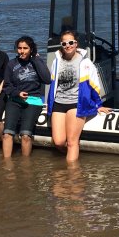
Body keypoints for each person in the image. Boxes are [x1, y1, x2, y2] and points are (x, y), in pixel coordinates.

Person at [47, 30, 110, 162]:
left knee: (72, 142)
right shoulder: (56, 61)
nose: (68, 45)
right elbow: (53, 85)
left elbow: (94, 86)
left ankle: (72, 175)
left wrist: (98, 105)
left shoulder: (86, 63)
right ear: (61, 45)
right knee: (58, 141)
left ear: (76, 44)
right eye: (64, 43)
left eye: (71, 42)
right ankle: (74, 155)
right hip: (59, 102)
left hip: (77, 103)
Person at [3, 36, 51, 158]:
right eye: (19, 48)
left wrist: (36, 59)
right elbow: (7, 86)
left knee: (25, 135)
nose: (22, 51)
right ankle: (7, 164)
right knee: (7, 134)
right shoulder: (11, 64)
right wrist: (17, 93)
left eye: (25, 48)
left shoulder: (37, 62)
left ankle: (25, 167)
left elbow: (47, 79)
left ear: (31, 49)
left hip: (33, 101)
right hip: (15, 100)